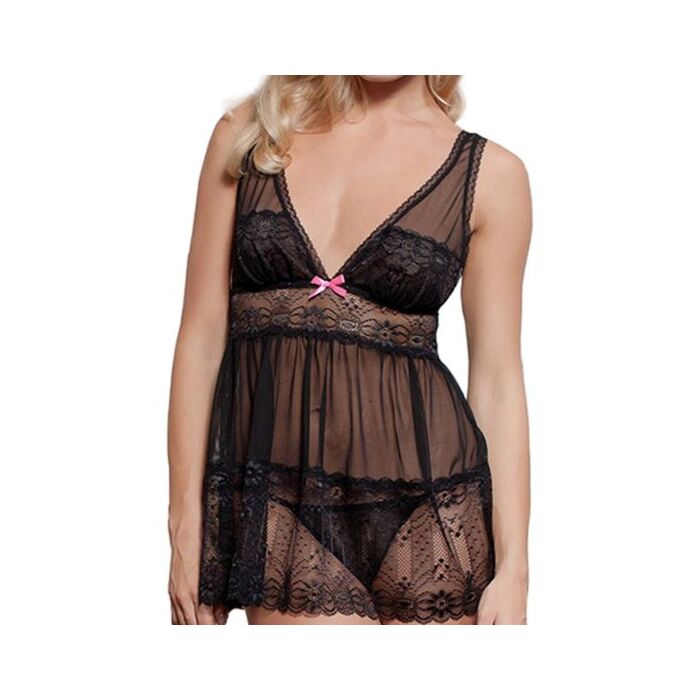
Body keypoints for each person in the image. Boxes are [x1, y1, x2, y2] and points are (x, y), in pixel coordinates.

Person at [167, 75, 532, 625]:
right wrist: (185, 524)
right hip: (284, 499)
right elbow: (200, 338)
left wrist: (515, 567)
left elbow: (498, 379)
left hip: (433, 507)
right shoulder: (254, 133)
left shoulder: (492, 175)